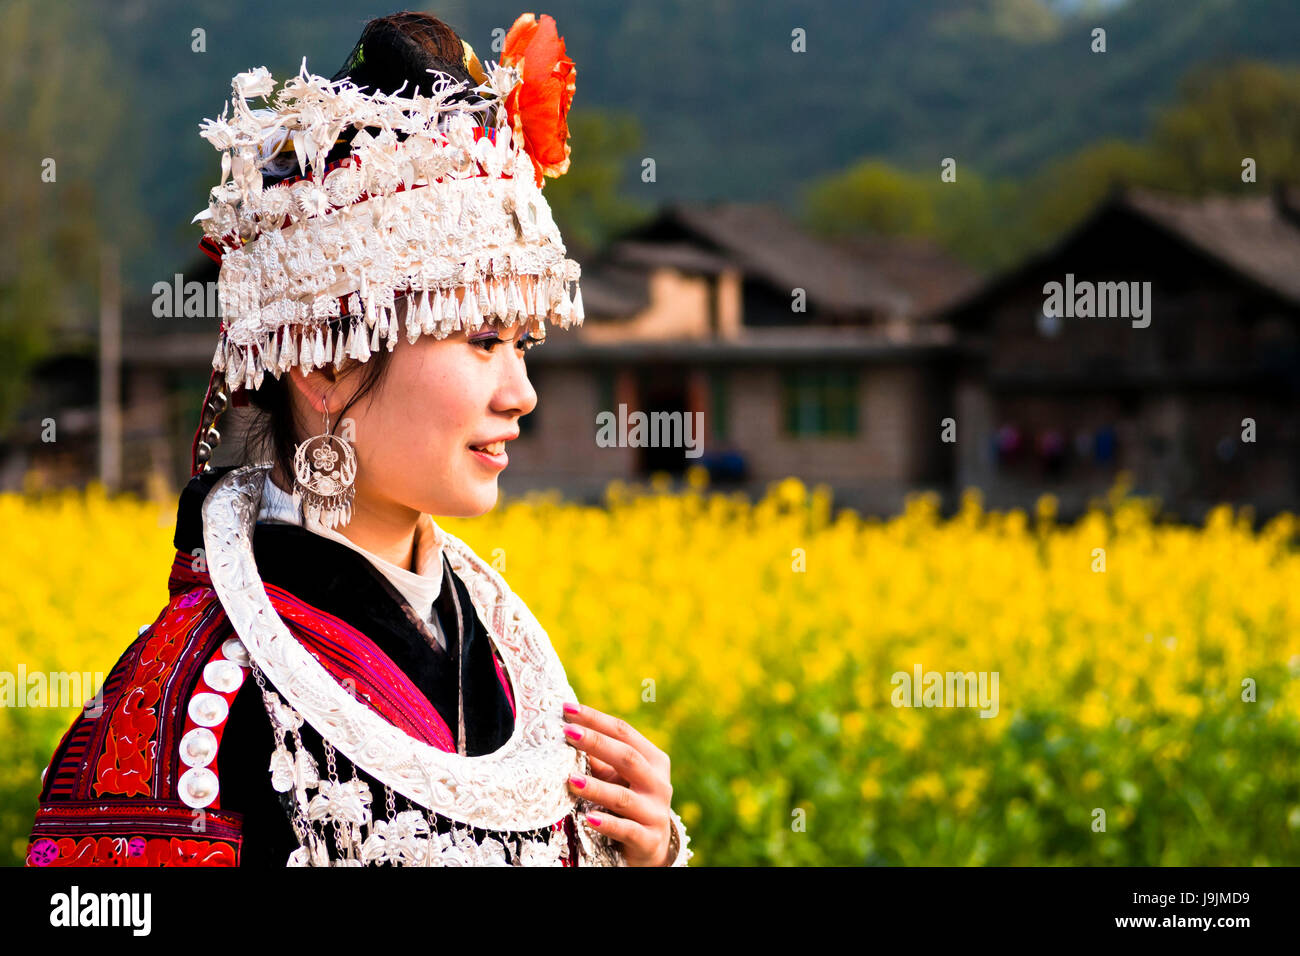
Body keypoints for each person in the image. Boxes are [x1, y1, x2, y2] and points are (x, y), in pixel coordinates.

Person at [25, 10, 691, 868]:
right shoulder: (192, 706)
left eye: (524, 345)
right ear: (327, 363)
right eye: (480, 339)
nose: (521, 393)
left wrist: (643, 858)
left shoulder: (510, 670)